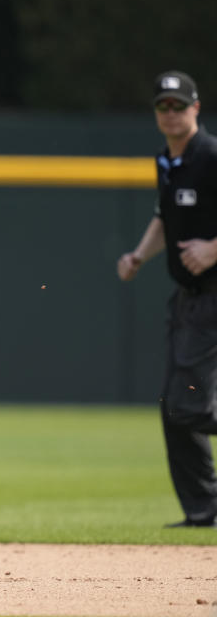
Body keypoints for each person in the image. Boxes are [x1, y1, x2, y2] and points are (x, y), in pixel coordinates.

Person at [117, 70, 217, 528]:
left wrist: (213, 247)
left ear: (197, 107)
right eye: (164, 106)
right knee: (174, 407)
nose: (171, 113)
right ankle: (204, 510)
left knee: (188, 405)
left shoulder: (211, 155)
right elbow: (163, 216)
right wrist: (139, 255)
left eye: (180, 105)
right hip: (187, 298)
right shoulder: (168, 162)